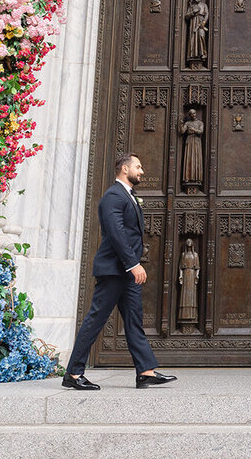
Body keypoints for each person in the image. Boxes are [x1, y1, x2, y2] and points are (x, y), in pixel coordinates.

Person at [63, 154, 178, 391]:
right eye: (138, 166)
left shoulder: (128, 196)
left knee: (134, 320)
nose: (142, 171)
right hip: (115, 271)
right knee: (96, 319)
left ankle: (145, 371)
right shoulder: (113, 196)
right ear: (124, 169)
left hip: (125, 273)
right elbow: (116, 234)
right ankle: (73, 374)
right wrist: (132, 264)